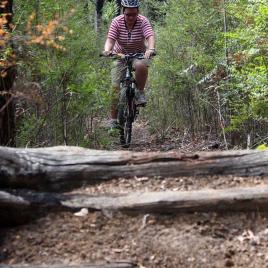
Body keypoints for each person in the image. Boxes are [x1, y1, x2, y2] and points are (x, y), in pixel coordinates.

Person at [103, 0, 156, 130]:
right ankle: (113, 120)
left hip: (138, 54)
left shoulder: (143, 21)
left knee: (141, 65)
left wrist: (150, 49)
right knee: (115, 87)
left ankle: (139, 92)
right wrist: (107, 50)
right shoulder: (117, 22)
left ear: (138, 12)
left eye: (134, 14)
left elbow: (150, 36)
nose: (131, 17)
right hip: (119, 55)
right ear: (123, 12)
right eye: (128, 15)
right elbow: (110, 40)